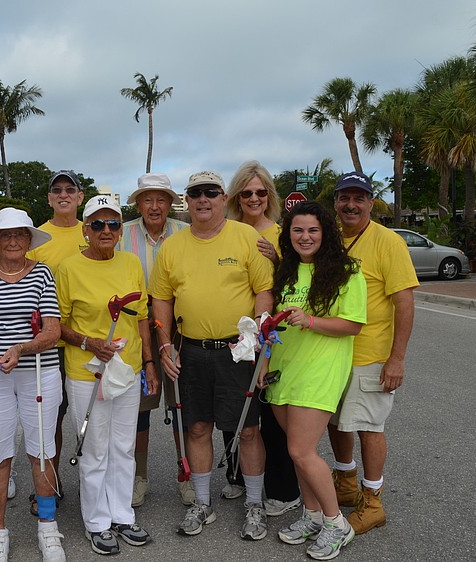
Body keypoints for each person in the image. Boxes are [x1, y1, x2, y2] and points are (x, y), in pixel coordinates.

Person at [149, 171, 272, 540]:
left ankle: (253, 504)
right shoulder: (172, 245)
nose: (203, 199)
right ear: (187, 200)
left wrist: (259, 344)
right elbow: (161, 300)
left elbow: (264, 291)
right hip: (192, 350)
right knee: (197, 427)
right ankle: (202, 503)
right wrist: (164, 344)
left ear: (223, 199)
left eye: (211, 193)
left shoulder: (246, 236)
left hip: (238, 349)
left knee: (248, 430)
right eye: (195, 193)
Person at [0, 208, 66, 562]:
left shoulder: (42, 274)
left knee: (42, 449)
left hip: (38, 369)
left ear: (28, 239)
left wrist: (22, 348)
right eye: (5, 235)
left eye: (20, 234)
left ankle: (48, 528)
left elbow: (52, 331)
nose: (13, 240)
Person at [264, 201, 366, 561]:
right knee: (297, 451)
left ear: (326, 233)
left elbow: (353, 324)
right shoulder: (286, 273)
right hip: (283, 368)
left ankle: (337, 524)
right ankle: (312, 516)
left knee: (301, 451)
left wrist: (311, 321)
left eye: (313, 230)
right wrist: (263, 362)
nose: (305, 237)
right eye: (297, 230)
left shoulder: (346, 272)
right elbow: (274, 324)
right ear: (288, 235)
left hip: (320, 371)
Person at [56, 196, 157, 556]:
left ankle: (121, 515)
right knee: (95, 449)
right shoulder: (68, 269)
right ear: (85, 230)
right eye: (97, 225)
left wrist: (148, 364)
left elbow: (141, 317)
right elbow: (59, 325)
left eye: (113, 224)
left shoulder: (131, 263)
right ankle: (97, 522)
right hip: (87, 372)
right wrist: (88, 342)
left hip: (126, 369)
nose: (106, 231)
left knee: (123, 446)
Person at [328, 171, 418, 536]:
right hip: (331, 354)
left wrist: (396, 358)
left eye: (358, 198)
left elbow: (404, 301)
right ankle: (346, 482)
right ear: (336, 201)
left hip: (372, 355)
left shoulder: (387, 242)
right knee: (336, 422)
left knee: (368, 427)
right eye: (344, 197)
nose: (351, 204)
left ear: (370, 203)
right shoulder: (330, 238)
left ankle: (373, 500)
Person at [226, 160, 301, 517]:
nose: (254, 198)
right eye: (247, 192)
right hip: (231, 335)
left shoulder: (282, 232)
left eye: (260, 192)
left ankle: (283, 489)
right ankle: (238, 475)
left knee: (269, 415)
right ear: (237, 196)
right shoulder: (227, 229)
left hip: (271, 334)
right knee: (233, 409)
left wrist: (280, 258)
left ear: (269, 195)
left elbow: (302, 277)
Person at [116, 172, 193, 508]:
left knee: (183, 409)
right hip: (137, 331)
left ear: (171, 202)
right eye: (147, 199)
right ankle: (139, 477)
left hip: (180, 329)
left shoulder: (186, 233)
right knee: (139, 412)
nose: (154, 205)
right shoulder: (122, 234)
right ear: (137, 203)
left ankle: (186, 474)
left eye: (161, 199)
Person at [26, 169, 88, 505]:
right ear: (49, 199)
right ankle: (49, 482)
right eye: (56, 190)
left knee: (89, 418)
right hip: (49, 345)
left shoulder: (93, 228)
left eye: (70, 189)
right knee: (50, 420)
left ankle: (95, 485)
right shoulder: (39, 238)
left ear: (80, 196)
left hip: (87, 341)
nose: (63, 195)